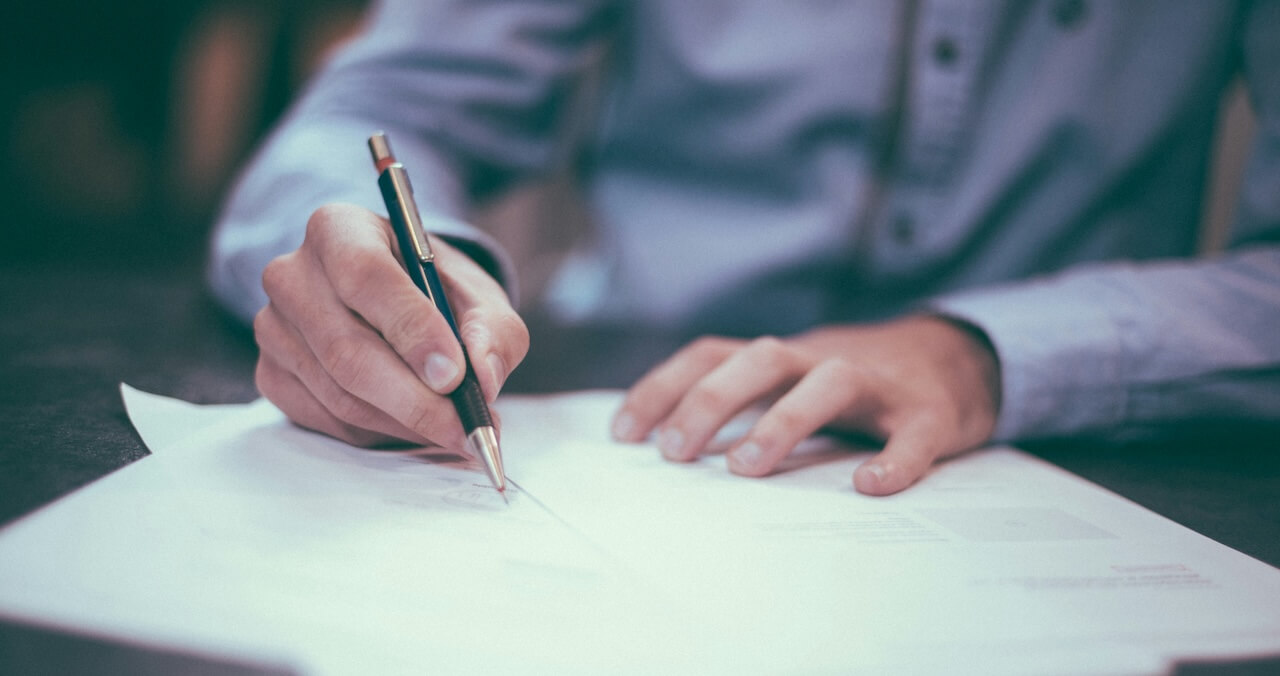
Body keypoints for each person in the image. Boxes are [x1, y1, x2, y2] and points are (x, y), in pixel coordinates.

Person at [208, 0, 1280, 496]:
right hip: (630, 415)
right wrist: (389, 272)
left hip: (1085, 456)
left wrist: (982, 351)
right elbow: (379, 107)